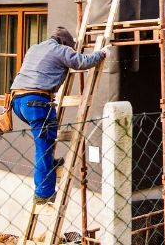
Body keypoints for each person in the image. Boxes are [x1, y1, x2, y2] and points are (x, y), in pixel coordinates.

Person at [10, 26, 107, 204]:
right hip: (36, 102)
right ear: (65, 43)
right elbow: (81, 62)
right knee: (43, 147)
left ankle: (49, 166)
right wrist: (101, 53)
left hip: (17, 102)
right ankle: (43, 194)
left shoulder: (35, 48)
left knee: (45, 142)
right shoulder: (60, 50)